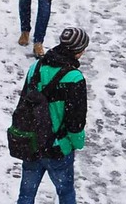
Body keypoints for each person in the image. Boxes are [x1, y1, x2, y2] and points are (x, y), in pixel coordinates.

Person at [16, 27, 89, 204]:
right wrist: (77, 143)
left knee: (26, 194)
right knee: (65, 193)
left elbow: (23, 104)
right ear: (78, 52)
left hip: (32, 144)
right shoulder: (74, 78)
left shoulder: (36, 67)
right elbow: (75, 122)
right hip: (58, 147)